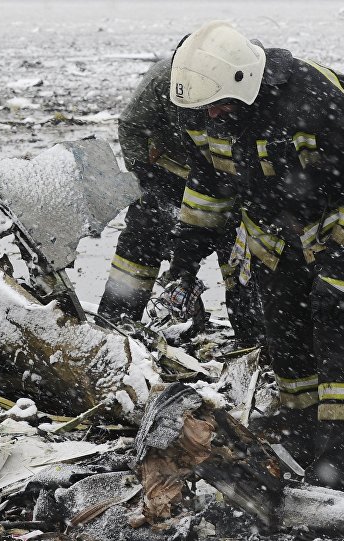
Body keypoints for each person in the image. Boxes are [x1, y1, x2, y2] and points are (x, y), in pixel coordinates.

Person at [161, 20, 344, 493]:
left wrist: (341, 269)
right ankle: (303, 438)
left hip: (342, 228)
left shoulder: (314, 99)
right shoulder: (203, 111)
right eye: (204, 109)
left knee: (339, 332)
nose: (212, 116)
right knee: (286, 334)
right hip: (273, 235)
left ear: (244, 82)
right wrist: (183, 265)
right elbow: (208, 187)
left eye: (219, 106)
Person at [97, 53, 263, 345]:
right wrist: (143, 176)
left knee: (238, 256)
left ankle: (253, 339)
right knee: (139, 244)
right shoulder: (163, 78)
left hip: (226, 178)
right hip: (167, 174)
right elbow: (131, 126)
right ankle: (113, 327)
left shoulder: (247, 82)